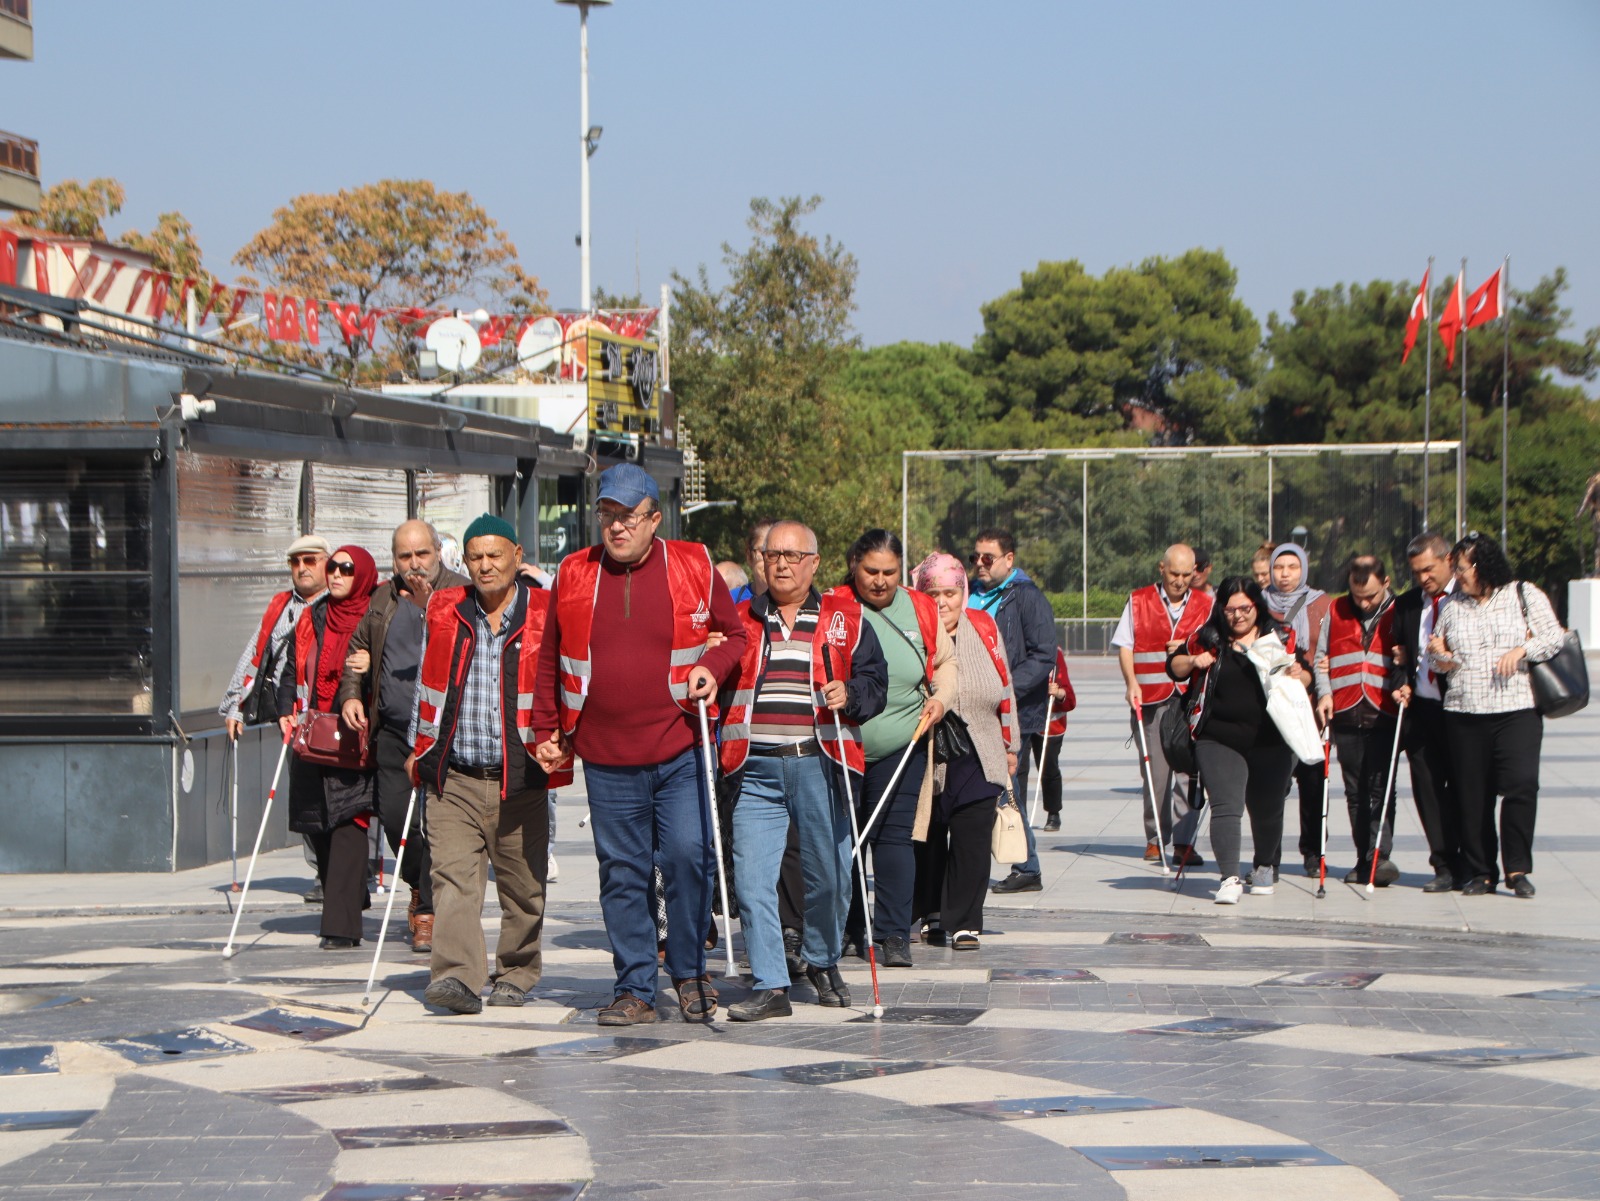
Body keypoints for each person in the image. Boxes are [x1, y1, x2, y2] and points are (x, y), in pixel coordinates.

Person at [532, 465, 747, 1025]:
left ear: (655, 519)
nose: (616, 527)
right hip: (605, 756)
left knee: (687, 858)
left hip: (680, 746)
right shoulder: (575, 573)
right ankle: (635, 988)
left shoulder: (695, 565)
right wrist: (546, 729)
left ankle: (691, 973)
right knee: (622, 871)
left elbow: (739, 636)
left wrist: (711, 664)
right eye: (608, 515)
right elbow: (550, 656)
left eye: (628, 516)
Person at [719, 521, 887, 1021]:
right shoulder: (740, 619)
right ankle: (771, 984)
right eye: (774, 555)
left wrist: (851, 695)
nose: (783, 565)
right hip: (753, 768)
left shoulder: (847, 617)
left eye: (794, 556)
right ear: (761, 561)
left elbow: (876, 682)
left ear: (814, 563)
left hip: (821, 761)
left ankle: (821, 958)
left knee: (831, 875)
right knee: (751, 879)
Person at [404, 515, 568, 1015]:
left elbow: (568, 680)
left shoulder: (545, 612)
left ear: (518, 556)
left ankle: (516, 970)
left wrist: (560, 738)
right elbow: (426, 683)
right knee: (452, 881)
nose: (485, 565)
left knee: (523, 887)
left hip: (519, 777)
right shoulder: (446, 611)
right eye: (475, 557)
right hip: (454, 775)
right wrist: (419, 745)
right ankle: (456, 976)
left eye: (495, 555)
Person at [337, 520, 468, 954]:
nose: (414, 565)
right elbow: (357, 652)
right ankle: (417, 883)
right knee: (396, 818)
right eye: (404, 557)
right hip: (394, 732)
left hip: (447, 733)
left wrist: (433, 608)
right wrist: (352, 695)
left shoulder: (461, 593)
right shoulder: (382, 598)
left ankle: (428, 912)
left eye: (422, 555)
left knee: (441, 826)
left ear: (437, 553)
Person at [836, 529, 954, 968]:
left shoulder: (920, 607)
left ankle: (892, 933)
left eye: (890, 572)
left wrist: (942, 698)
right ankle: (848, 926)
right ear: (854, 566)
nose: (880, 581)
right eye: (871, 571)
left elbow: (945, 663)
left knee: (893, 838)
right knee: (843, 838)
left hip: (902, 745)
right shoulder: (832, 605)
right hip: (841, 746)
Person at [1428, 533, 1564, 898]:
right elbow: (1439, 661)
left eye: (1461, 568)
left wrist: (1521, 649)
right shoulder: (1451, 605)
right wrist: (1439, 655)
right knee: (1473, 795)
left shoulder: (1523, 593)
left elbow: (1555, 637)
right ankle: (1480, 871)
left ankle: (1517, 868)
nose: (1457, 576)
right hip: (1464, 712)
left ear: (1483, 564)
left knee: (1521, 785)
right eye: (1454, 569)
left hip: (1516, 709)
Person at [1168, 576, 1312, 903]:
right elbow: (1173, 665)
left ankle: (1263, 867)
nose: (1237, 616)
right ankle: (1229, 877)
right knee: (1226, 805)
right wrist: (1193, 661)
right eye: (1230, 609)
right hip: (1218, 737)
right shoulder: (1208, 637)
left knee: (1267, 808)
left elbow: (1306, 673)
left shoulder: (1281, 636)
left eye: (1244, 608)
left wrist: (1299, 674)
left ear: (1256, 607)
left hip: (1272, 738)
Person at [912, 554, 1018, 951]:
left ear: (963, 593)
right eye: (933, 593)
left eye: (950, 592)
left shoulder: (986, 628)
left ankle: (965, 920)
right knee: (929, 836)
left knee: (972, 838)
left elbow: (1005, 690)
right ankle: (932, 912)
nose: (942, 601)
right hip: (930, 754)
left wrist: (1012, 747)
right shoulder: (915, 631)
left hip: (980, 750)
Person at [277, 545, 379, 948]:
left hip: (355, 734)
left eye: (346, 569)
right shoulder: (312, 616)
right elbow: (290, 666)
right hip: (311, 732)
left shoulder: (375, 616)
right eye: (332, 567)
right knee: (314, 822)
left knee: (347, 822)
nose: (335, 575)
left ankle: (340, 926)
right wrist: (285, 708)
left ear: (364, 575)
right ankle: (351, 892)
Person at [218, 533, 329, 902]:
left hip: (332, 714)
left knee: (341, 799)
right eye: (295, 563)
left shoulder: (339, 604)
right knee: (307, 800)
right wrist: (236, 704)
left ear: (326, 563)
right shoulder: (281, 606)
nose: (302, 569)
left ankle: (347, 871)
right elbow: (255, 651)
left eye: (310, 560)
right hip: (291, 717)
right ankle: (323, 873)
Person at [967, 528, 1057, 893]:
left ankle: (1027, 866)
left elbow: (1043, 654)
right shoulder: (969, 593)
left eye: (988, 558)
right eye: (975, 557)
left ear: (1009, 559)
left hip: (1012, 711)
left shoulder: (1027, 597)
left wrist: (1005, 689)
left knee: (1006, 790)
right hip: (970, 708)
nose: (979, 564)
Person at [1112, 544, 1213, 867]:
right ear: (1161, 569)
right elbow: (1125, 646)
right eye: (1174, 574)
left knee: (1189, 772)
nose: (1181, 581)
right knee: (1156, 773)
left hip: (1190, 697)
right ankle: (1155, 838)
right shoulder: (1138, 600)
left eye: (1187, 575)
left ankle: (1185, 842)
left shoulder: (1206, 604)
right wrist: (1132, 683)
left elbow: (1213, 643)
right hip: (1151, 697)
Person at [1313, 556, 1405, 887]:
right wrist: (1324, 694)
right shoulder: (1336, 610)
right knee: (1355, 790)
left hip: (1384, 711)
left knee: (1381, 788)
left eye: (1370, 596)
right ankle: (1364, 855)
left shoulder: (1400, 610)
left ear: (1386, 582)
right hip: (1347, 710)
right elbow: (1321, 659)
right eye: (1357, 595)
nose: (1363, 603)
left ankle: (1380, 856)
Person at [1391, 532, 1461, 892]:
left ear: (1449, 560)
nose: (1423, 578)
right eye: (1416, 572)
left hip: (1461, 709)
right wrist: (1399, 678)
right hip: (1421, 708)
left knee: (1464, 786)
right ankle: (1443, 864)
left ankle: (1474, 862)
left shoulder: (1465, 600)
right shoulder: (1405, 605)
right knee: (1428, 788)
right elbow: (1398, 653)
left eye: (1428, 569)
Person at [1262, 542, 1331, 877]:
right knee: (1272, 786)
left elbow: (1328, 652)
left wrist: (1309, 676)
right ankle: (1268, 857)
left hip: (1309, 706)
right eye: (1279, 567)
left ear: (1304, 568)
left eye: (1292, 567)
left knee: (1313, 779)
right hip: (1271, 708)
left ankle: (1314, 852)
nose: (1285, 574)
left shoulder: (1322, 604)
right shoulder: (1259, 603)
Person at [1034, 645, 1074, 833]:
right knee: (1018, 769)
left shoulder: (1055, 653)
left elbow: (1069, 696)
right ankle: (1017, 813)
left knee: (1048, 767)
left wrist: (1058, 693)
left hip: (1050, 724)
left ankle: (1053, 811)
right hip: (1023, 720)